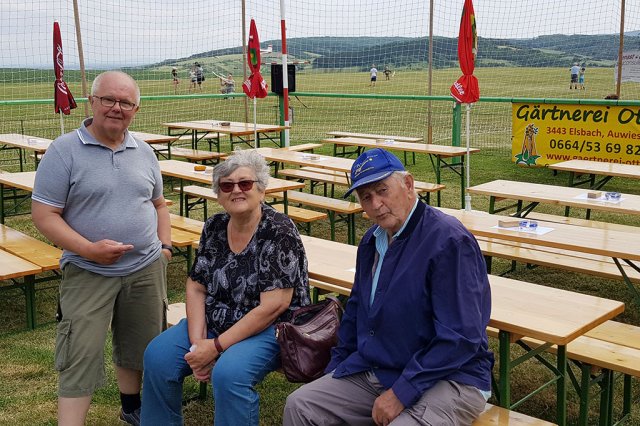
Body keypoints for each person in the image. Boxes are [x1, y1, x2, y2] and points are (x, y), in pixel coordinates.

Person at [284, 148, 494, 426]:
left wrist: (402, 392)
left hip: (451, 377)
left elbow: (461, 338)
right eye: (366, 197)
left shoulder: (449, 240)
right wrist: (334, 370)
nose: (376, 204)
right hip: (383, 368)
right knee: (301, 405)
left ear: (408, 184)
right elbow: (355, 313)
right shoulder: (372, 241)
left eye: (382, 190)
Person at [31, 70, 171, 426]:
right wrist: (88, 249)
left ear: (136, 109)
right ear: (92, 101)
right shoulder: (64, 150)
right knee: (80, 350)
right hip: (87, 269)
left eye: (125, 102)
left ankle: (131, 407)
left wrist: (165, 249)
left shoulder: (144, 151)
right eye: (108, 99)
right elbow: (44, 215)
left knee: (141, 343)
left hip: (145, 267)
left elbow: (159, 204)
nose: (116, 108)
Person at [141, 149, 311, 425]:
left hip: (271, 328)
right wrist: (198, 345)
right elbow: (196, 286)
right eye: (227, 185)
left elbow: (274, 306)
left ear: (261, 190)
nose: (237, 190)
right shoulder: (215, 226)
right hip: (217, 319)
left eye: (245, 183)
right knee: (158, 357)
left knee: (229, 374)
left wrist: (216, 347)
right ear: (218, 194)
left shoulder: (279, 230)